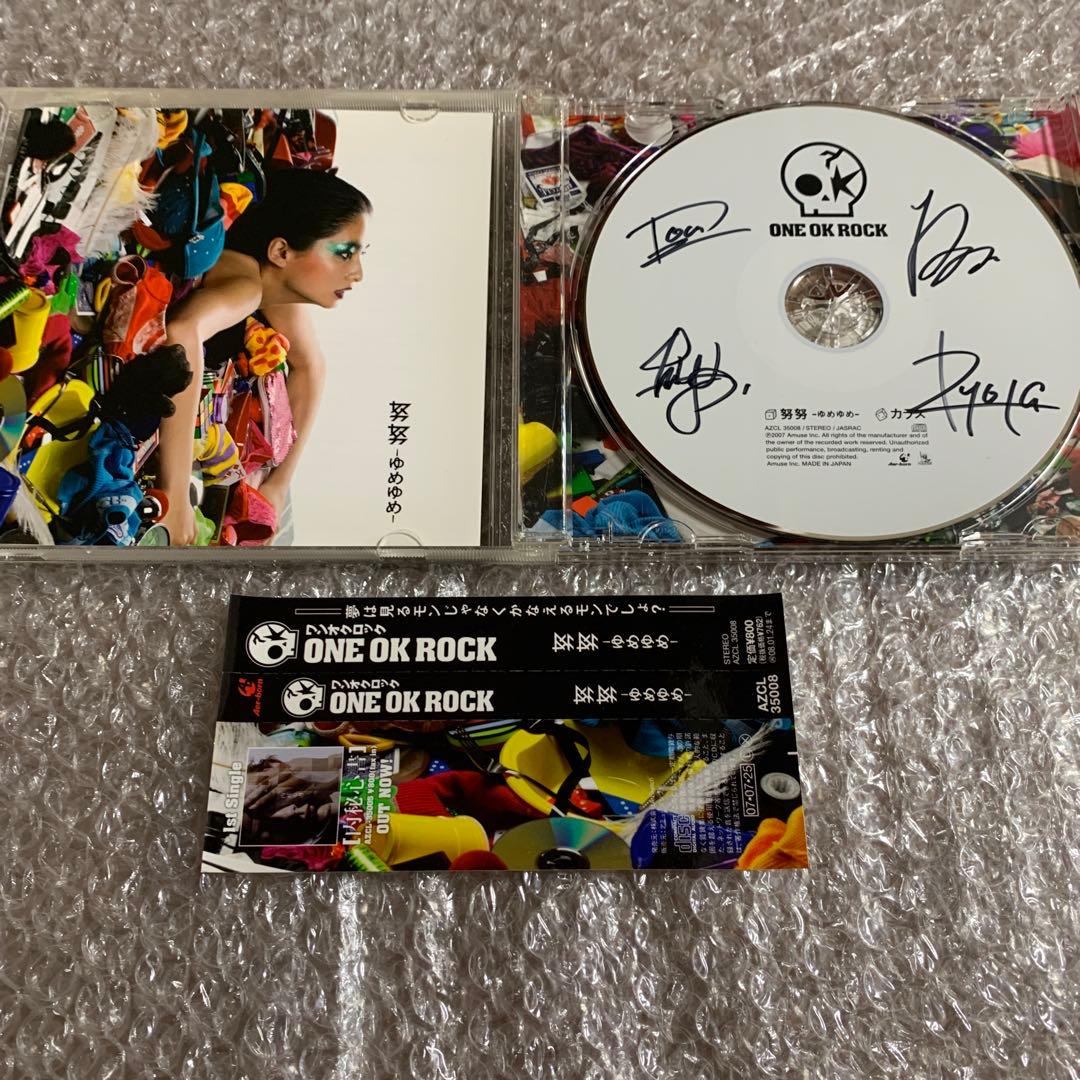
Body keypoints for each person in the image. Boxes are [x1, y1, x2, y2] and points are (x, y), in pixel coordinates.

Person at [159, 168, 371, 545]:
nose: (357, 274)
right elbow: (183, 331)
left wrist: (278, 484)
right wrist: (174, 496)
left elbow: (311, 365)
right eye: (344, 254)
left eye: (359, 255)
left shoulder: (274, 285)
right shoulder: (247, 288)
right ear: (281, 252)